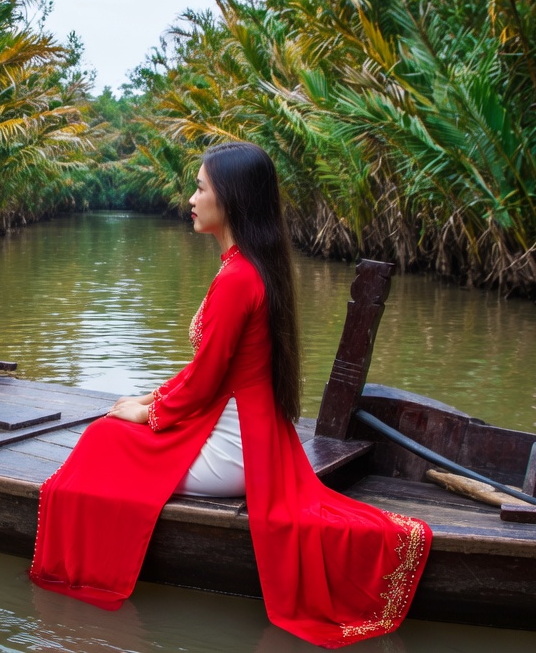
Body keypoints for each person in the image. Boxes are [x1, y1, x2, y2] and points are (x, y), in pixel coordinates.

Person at [29, 142, 431, 649]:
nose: (191, 199)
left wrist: (148, 413)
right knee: (112, 431)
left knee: (103, 441)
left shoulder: (238, 279)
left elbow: (202, 384)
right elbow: (207, 373)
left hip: (234, 448)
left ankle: (84, 572)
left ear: (232, 200)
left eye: (201, 188)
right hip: (247, 433)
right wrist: (152, 398)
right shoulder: (249, 267)